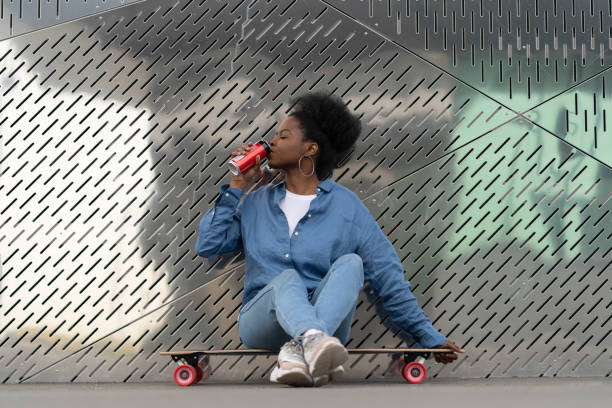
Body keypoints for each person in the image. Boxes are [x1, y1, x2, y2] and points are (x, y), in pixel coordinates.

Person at [196, 91, 464, 387]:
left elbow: (388, 279)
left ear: (309, 149)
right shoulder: (256, 202)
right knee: (287, 279)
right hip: (263, 323)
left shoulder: (346, 207)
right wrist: (237, 187)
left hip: (328, 324)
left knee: (352, 264)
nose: (271, 143)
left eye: (283, 136)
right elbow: (209, 246)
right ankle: (311, 341)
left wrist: (429, 338)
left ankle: (300, 351)